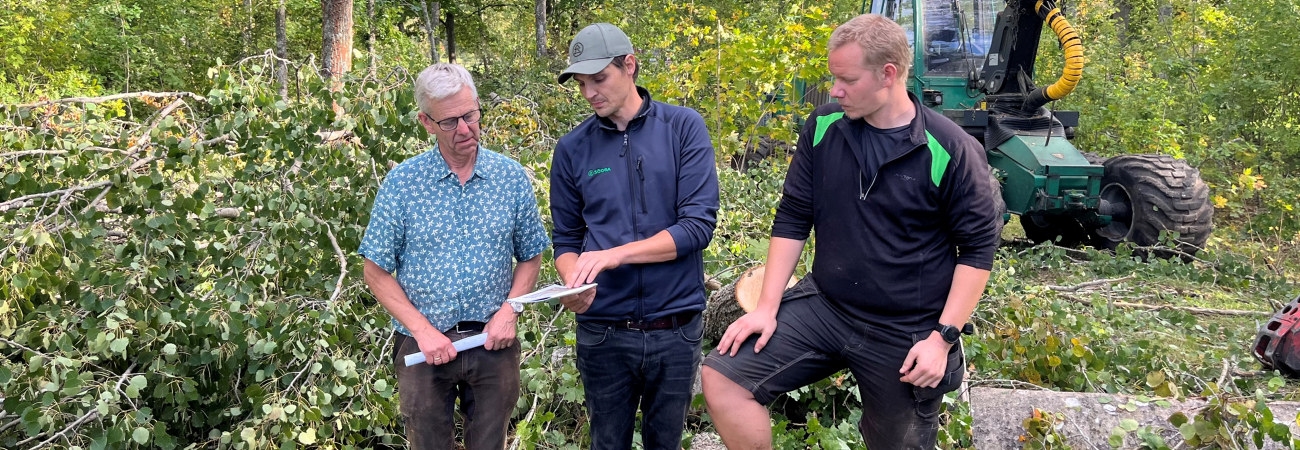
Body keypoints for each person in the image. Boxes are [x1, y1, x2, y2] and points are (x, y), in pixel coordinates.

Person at [701, 14, 1002, 449]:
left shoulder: (951, 149)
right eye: (833, 78)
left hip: (906, 329)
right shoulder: (824, 127)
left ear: (888, 74)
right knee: (725, 378)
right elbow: (793, 217)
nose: (835, 90)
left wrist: (943, 338)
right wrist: (766, 307)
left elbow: (976, 251)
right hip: (827, 307)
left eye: (846, 79)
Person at [358, 63, 550, 450]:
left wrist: (510, 310)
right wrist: (422, 331)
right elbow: (375, 271)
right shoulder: (404, 183)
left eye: (470, 115)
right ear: (426, 122)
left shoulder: (510, 178)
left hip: (493, 342)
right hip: (423, 347)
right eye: (450, 122)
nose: (465, 129)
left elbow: (531, 255)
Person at [549, 22, 720, 450]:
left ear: (630, 66)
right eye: (582, 83)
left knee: (666, 443)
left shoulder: (683, 128)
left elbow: (696, 227)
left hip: (676, 327)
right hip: (604, 331)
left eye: (599, 79)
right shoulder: (572, 149)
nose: (590, 93)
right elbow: (567, 239)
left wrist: (614, 256)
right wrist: (573, 281)